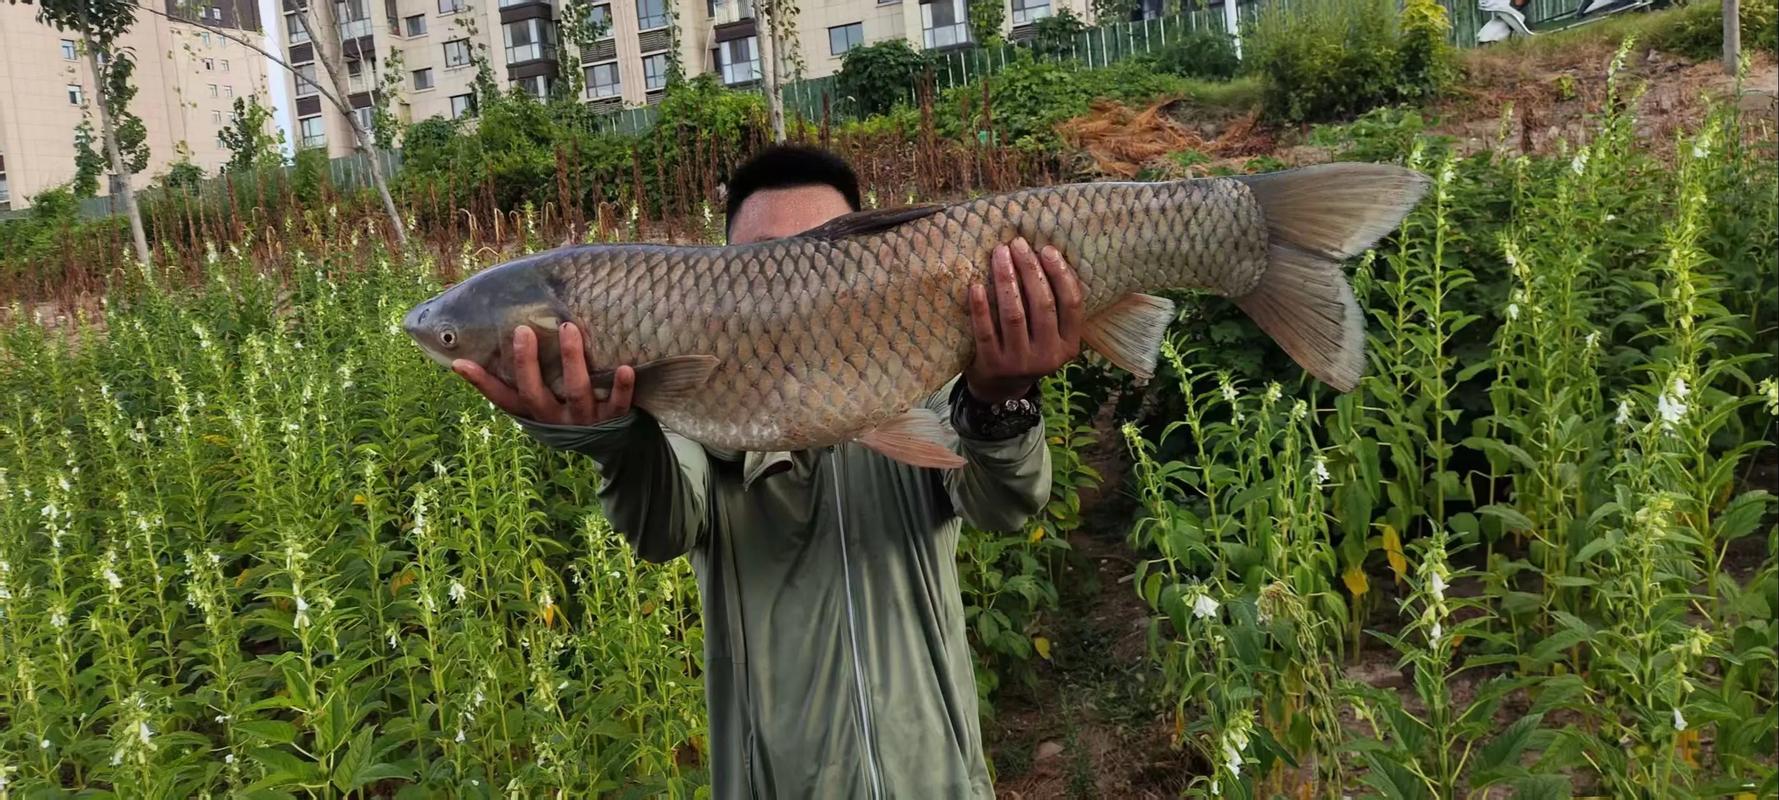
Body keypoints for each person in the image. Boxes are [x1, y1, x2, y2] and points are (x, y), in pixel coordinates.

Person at [451, 144, 1086, 799]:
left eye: (819, 257)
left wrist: (999, 399)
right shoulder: (695, 411)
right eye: (769, 264)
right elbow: (663, 528)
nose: (796, 286)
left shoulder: (923, 385)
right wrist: (615, 440)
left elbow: (1003, 505)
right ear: (722, 280)